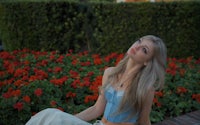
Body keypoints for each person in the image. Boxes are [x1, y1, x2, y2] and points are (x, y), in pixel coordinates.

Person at [26, 35, 167, 125]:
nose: (136, 47)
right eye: (139, 41)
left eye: (144, 49)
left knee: (54, 117)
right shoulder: (110, 73)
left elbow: (144, 121)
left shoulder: (146, 88)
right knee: (52, 115)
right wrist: (69, 119)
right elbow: (96, 109)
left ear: (148, 62)